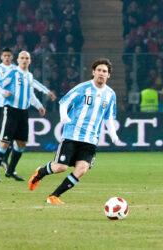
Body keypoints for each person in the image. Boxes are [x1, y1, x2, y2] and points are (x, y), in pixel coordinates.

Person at [28, 58, 119, 204]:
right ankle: (40, 172)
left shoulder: (110, 94)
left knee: (81, 169)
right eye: (99, 70)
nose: (101, 73)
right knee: (60, 167)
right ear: (93, 72)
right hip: (72, 135)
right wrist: (64, 116)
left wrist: (113, 134)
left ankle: (54, 196)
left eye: (105, 71)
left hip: (90, 139)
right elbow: (64, 102)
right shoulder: (83, 88)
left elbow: (108, 116)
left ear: (108, 75)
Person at [0, 48, 56, 173]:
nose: (7, 58)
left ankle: (4, 160)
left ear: (13, 57)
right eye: (5, 55)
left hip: (12, 106)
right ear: (1, 57)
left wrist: (43, 98)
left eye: (9, 55)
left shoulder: (18, 70)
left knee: (10, 136)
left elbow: (31, 88)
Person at [0, 51, 48, 182]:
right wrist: (4, 92)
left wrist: (39, 106)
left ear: (30, 61)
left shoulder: (30, 76)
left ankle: (10, 170)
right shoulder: (13, 73)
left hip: (23, 112)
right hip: (10, 111)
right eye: (22, 58)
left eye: (27, 58)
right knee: (4, 142)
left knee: (21, 144)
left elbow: (30, 95)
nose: (24, 60)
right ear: (18, 60)